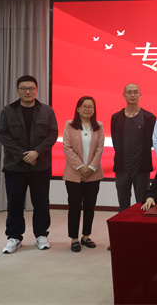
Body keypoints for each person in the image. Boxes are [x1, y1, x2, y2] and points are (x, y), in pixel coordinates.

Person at [0, 75, 58, 254]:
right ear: (18, 90)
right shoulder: (8, 110)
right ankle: (14, 237)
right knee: (14, 204)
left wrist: (37, 152)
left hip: (40, 166)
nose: (28, 92)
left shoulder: (47, 110)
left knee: (41, 203)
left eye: (31, 88)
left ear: (36, 90)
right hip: (15, 167)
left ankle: (41, 235)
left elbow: (53, 134)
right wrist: (22, 154)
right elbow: (2, 134)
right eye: (23, 88)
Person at [62, 96, 105, 252]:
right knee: (74, 207)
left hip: (93, 174)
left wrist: (91, 168)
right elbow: (67, 147)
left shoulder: (98, 126)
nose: (87, 109)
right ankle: (74, 238)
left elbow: (100, 148)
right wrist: (81, 167)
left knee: (90, 207)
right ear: (78, 109)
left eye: (90, 107)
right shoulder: (69, 125)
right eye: (84, 106)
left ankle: (86, 236)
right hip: (74, 174)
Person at [111, 83, 156, 212]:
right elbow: (115, 141)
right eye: (129, 92)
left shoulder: (149, 117)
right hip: (122, 168)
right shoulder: (116, 117)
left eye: (135, 92)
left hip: (141, 168)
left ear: (140, 95)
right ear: (124, 95)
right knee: (123, 205)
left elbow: (151, 142)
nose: (132, 95)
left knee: (142, 204)